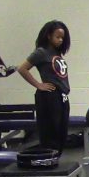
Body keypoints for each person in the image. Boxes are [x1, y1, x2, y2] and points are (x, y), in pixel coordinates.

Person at [17, 20, 71, 153]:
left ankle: (56, 158)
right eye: (57, 37)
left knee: (61, 132)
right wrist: (38, 85)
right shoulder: (41, 52)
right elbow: (22, 68)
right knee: (50, 134)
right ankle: (49, 160)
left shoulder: (56, 53)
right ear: (49, 36)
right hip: (49, 96)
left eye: (62, 38)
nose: (60, 40)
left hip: (61, 96)